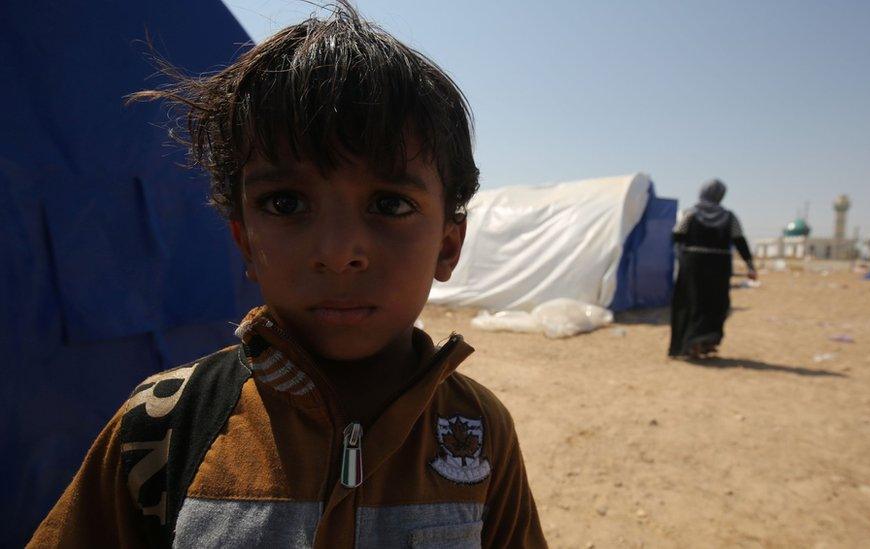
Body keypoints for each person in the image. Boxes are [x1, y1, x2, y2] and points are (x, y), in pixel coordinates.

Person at [30, 5, 546, 548]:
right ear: (244, 240)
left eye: (390, 205)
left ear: (448, 246)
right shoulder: (163, 425)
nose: (338, 252)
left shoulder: (477, 431)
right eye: (287, 202)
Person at [668, 179, 756, 359]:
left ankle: (689, 344)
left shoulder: (690, 214)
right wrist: (750, 265)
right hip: (719, 265)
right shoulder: (729, 217)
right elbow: (740, 241)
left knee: (690, 302)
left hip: (693, 265)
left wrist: (681, 255)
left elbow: (676, 235)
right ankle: (705, 342)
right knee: (714, 304)